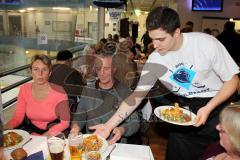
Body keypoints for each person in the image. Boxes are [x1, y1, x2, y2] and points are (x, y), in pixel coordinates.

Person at [90, 7, 239, 160]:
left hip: (216, 107)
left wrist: (208, 107)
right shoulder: (155, 59)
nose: (154, 45)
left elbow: (233, 81)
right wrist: (108, 126)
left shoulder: (205, 44)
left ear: (176, 33)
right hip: (184, 112)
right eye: (152, 38)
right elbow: (136, 97)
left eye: (160, 39)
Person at [70, 43, 140, 144]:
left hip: (115, 144)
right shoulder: (88, 90)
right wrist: (75, 127)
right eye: (98, 68)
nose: (102, 73)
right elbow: (80, 115)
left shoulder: (125, 91)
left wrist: (122, 130)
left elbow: (135, 122)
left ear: (114, 69)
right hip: (91, 144)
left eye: (106, 68)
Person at [4, 54, 70, 136]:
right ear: (31, 71)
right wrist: (5, 128)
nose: (40, 74)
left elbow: (65, 123)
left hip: (53, 133)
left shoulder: (59, 91)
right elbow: (18, 118)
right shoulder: (24, 89)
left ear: (49, 73)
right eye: (36, 69)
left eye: (44, 69)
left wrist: (42, 138)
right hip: (31, 133)